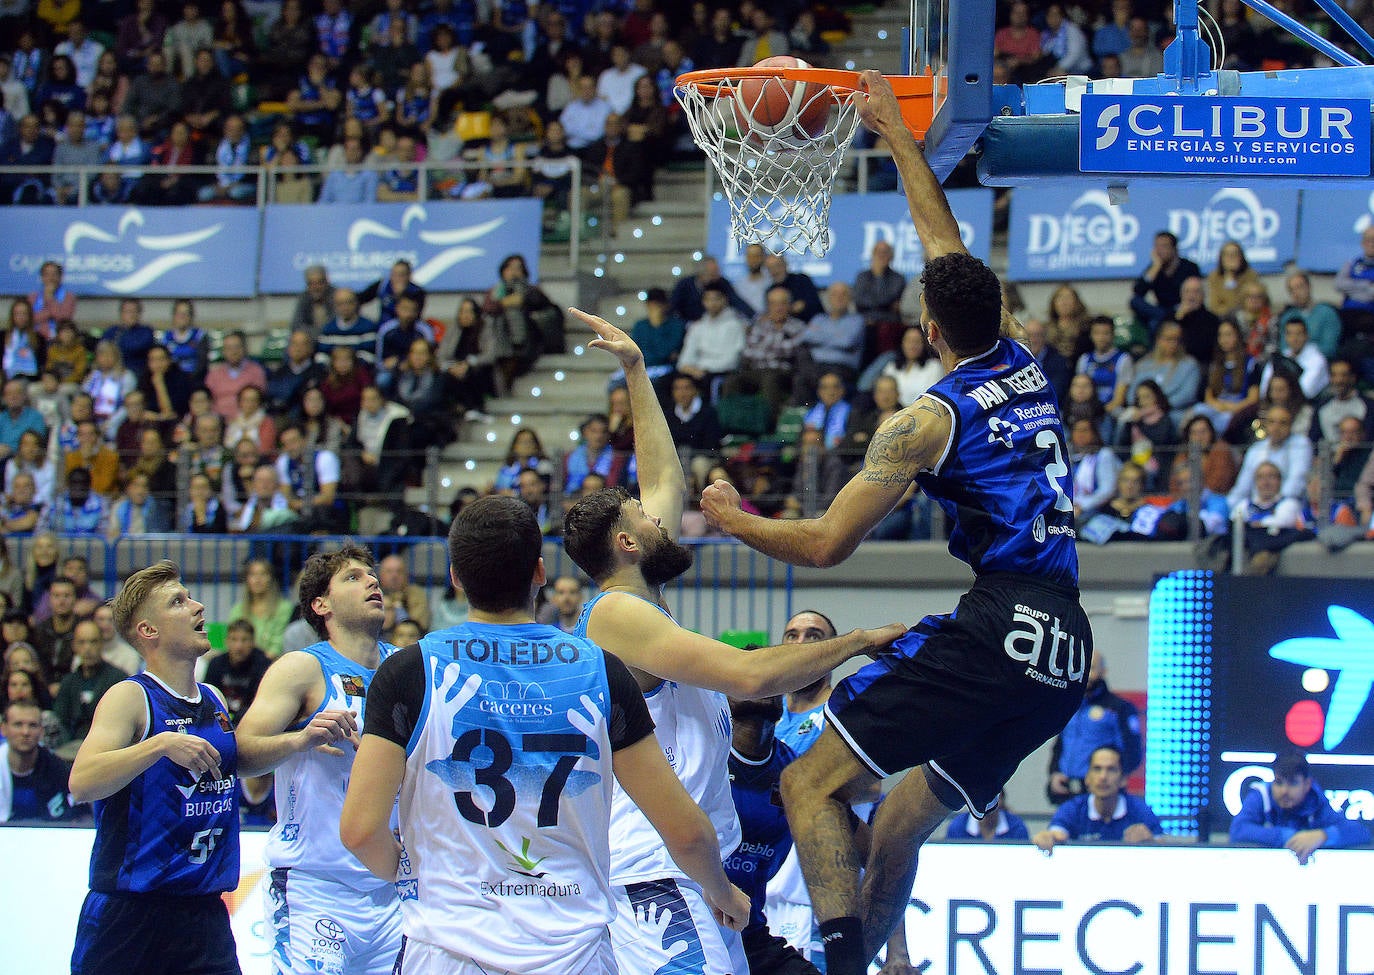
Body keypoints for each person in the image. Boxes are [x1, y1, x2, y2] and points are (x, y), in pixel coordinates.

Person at [698, 72, 1093, 975]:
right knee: (901, 825)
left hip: (1000, 620)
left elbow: (828, 545)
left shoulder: (922, 421)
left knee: (808, 781)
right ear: (992, 313)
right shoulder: (1026, 361)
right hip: (1066, 645)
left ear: (925, 326)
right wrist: (896, 135)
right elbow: (946, 246)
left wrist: (731, 516)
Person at [563, 307, 901, 975]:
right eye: (646, 516)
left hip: (685, 877)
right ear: (628, 542)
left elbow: (665, 476)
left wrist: (637, 368)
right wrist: (856, 639)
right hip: (653, 877)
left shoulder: (643, 601)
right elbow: (749, 677)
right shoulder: (614, 616)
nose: (669, 515)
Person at [339, 496, 749, 974]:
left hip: (448, 950)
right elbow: (685, 830)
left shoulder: (408, 671)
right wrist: (722, 892)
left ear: (455, 577)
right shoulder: (601, 671)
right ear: (539, 573)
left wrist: (408, 872)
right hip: (575, 953)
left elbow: (360, 830)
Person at [236, 544, 402, 975]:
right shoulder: (302, 668)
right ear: (320, 604)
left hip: (395, 886)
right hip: (317, 888)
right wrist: (300, 740)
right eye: (353, 577)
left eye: (372, 575)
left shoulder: (406, 670)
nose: (372, 581)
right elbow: (241, 753)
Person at [68, 561, 240, 975]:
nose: (198, 606)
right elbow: (82, 782)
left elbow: (239, 760)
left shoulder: (214, 697)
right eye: (178, 602)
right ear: (149, 631)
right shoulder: (129, 697)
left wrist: (301, 740)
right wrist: (159, 745)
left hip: (204, 914)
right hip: (131, 913)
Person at [1229, 752, 1370, 862]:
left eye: (1293, 783)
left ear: (1307, 784)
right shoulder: (1262, 795)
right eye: (1279, 782)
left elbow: (1361, 832)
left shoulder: (1316, 801)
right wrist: (1288, 836)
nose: (1284, 791)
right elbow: (1238, 830)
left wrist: (1322, 836)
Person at [1046, 652, 1141, 804]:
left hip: (1101, 791)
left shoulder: (1119, 708)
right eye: (1082, 669)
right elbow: (1060, 745)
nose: (1086, 674)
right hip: (1066, 790)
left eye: (1092, 668)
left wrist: (1115, 781)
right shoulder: (1069, 705)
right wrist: (1054, 773)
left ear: (1103, 671)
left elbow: (1133, 753)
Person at [1032, 746, 1161, 853]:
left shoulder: (1140, 811)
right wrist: (1048, 838)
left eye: (1111, 769)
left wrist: (1150, 842)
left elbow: (1165, 847)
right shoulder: (1072, 809)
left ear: (1123, 779)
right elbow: (1056, 833)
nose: (1103, 777)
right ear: (1087, 778)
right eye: (1097, 769)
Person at [54, 620, 127, 755]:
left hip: (107, 752)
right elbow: (60, 721)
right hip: (70, 751)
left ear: (102, 644)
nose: (87, 648)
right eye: (82, 642)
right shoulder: (68, 682)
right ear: (74, 646)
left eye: (93, 642)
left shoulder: (119, 680)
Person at [2, 699, 77, 822]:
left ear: (41, 731)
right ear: (4, 729)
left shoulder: (60, 771)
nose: (25, 732)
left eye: (32, 725)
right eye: (18, 724)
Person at [1131, 231, 1201, 333]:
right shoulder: (1154, 268)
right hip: (1161, 310)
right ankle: (1165, 318)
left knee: (1155, 323)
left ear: (1174, 249)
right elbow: (1138, 291)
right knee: (1135, 301)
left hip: (1182, 309)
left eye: (1164, 246)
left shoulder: (1189, 267)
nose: (1159, 250)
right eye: (1156, 246)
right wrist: (1156, 267)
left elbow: (1196, 293)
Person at [203, 619, 269, 723]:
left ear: (253, 642)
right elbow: (209, 700)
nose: (239, 646)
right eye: (234, 639)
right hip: (222, 719)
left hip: (252, 720)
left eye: (244, 640)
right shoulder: (216, 664)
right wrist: (225, 723)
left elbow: (261, 704)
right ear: (226, 641)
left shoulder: (264, 665)